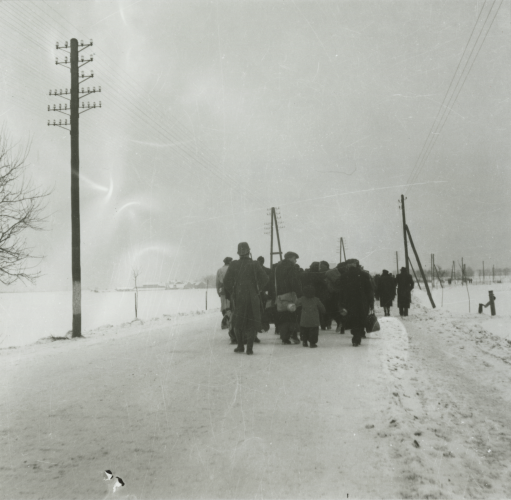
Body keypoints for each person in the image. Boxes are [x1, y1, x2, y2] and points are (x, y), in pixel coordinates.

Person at [223, 242, 269, 355]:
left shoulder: (233, 264)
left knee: (238, 321)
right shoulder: (255, 264)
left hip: (239, 297)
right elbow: (265, 278)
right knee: (252, 321)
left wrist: (233, 292)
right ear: (249, 251)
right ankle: (249, 348)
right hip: (253, 296)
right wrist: (258, 290)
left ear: (238, 252)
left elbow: (226, 281)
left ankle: (240, 346)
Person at [338, 258, 374, 346]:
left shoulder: (343, 276)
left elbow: (340, 291)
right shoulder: (364, 275)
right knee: (361, 317)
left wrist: (341, 303)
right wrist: (371, 302)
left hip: (349, 301)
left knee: (353, 319)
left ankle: (356, 336)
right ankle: (360, 333)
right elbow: (369, 290)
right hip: (363, 301)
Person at [269, 251, 302, 345]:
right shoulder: (291, 267)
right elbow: (294, 281)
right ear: (290, 258)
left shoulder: (276, 267)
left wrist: (273, 295)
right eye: (295, 259)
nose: (295, 261)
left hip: (279, 295)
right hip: (290, 294)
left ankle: (284, 338)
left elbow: (271, 281)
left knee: (282, 317)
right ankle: (294, 335)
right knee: (293, 315)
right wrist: (299, 293)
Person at [216, 257, 235, 343]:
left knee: (224, 306)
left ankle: (226, 320)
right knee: (230, 306)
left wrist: (218, 292)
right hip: (231, 290)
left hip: (222, 290)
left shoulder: (220, 270)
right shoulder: (232, 269)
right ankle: (229, 320)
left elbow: (218, 283)